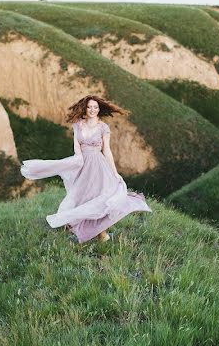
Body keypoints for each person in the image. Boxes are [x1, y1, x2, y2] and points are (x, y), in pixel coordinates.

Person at [20, 95, 152, 243]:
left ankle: (101, 234)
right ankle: (83, 228)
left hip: (98, 165)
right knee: (80, 197)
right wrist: (77, 160)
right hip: (82, 164)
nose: (92, 110)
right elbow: (76, 146)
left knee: (98, 198)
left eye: (95, 107)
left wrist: (114, 172)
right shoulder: (78, 125)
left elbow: (106, 150)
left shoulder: (103, 127)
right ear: (85, 108)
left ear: (99, 109)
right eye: (89, 107)